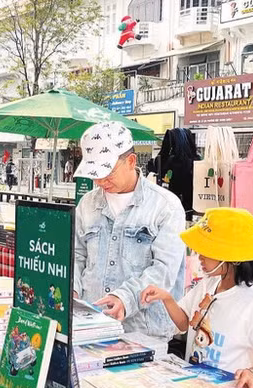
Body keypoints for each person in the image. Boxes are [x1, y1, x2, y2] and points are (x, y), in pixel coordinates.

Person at [140, 208, 253, 388]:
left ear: (231, 257)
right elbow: (184, 323)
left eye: (207, 250)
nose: (199, 256)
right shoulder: (208, 284)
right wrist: (166, 298)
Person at [73, 121, 185, 338]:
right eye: (94, 173)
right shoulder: (87, 204)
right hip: (89, 326)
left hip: (143, 331)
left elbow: (164, 270)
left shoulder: (165, 206)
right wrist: (73, 291)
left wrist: (125, 298)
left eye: (108, 172)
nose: (100, 181)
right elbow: (77, 256)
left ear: (131, 161)